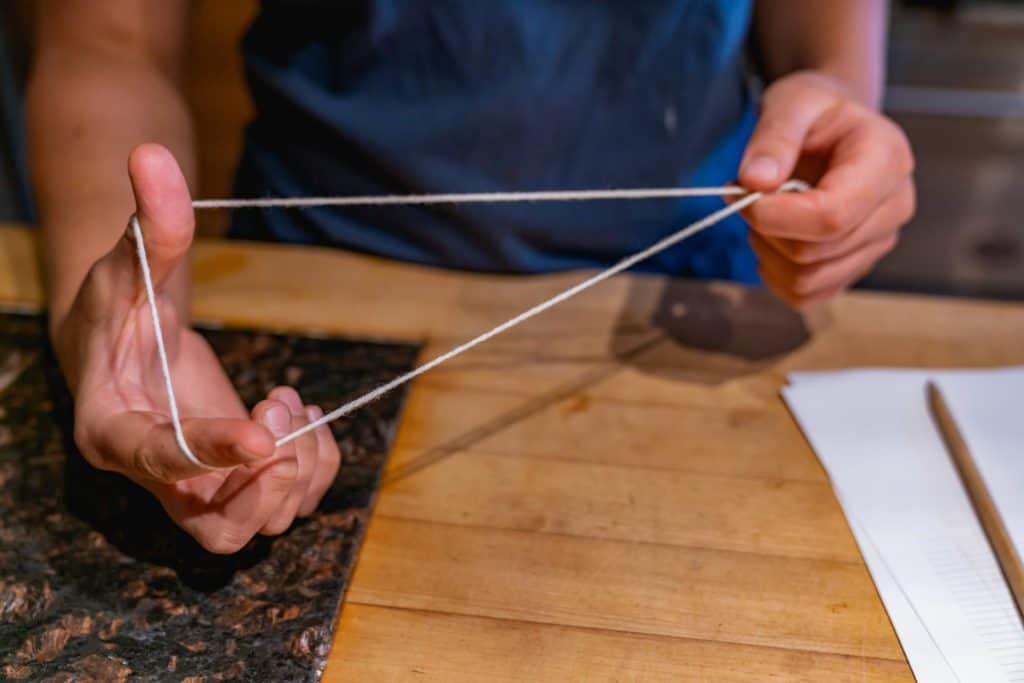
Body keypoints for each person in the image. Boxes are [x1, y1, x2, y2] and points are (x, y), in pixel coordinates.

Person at [26, 1, 915, 553]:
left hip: (689, 292)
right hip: (313, 275)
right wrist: (127, 319)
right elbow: (107, 34)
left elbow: (822, 32)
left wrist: (839, 100)